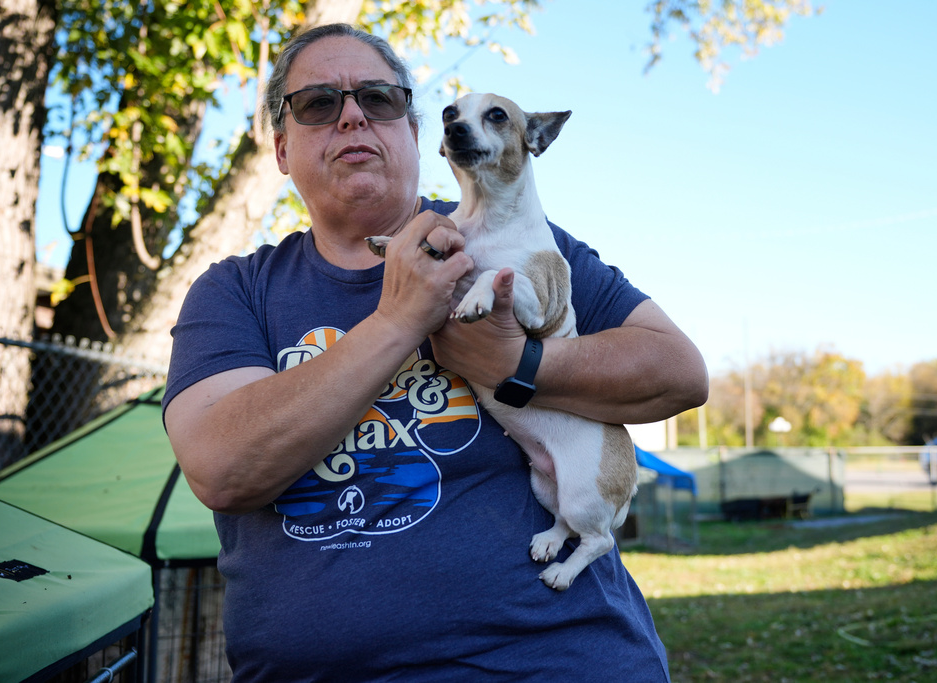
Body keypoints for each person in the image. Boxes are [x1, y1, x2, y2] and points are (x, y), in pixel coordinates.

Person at [163, 22, 708, 682]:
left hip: (562, 657)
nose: (353, 115)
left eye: (380, 99)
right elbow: (222, 468)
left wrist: (519, 366)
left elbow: (680, 373)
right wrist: (397, 320)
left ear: (415, 135)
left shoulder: (515, 239)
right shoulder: (235, 290)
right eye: (318, 104)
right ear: (280, 147)